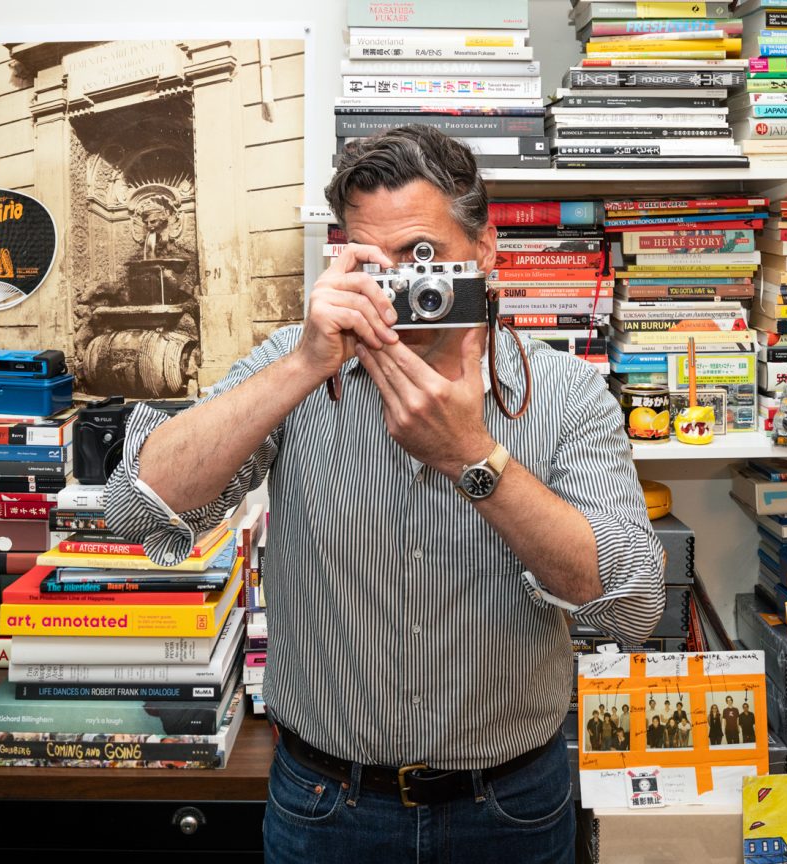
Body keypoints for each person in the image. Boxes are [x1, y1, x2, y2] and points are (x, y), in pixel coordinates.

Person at [106, 123, 665, 864]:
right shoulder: (300, 365)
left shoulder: (565, 392)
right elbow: (136, 507)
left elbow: (631, 604)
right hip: (327, 801)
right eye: (376, 263)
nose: (404, 287)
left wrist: (473, 456)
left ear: (489, 250)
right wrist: (305, 363)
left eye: (423, 258)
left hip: (509, 805)